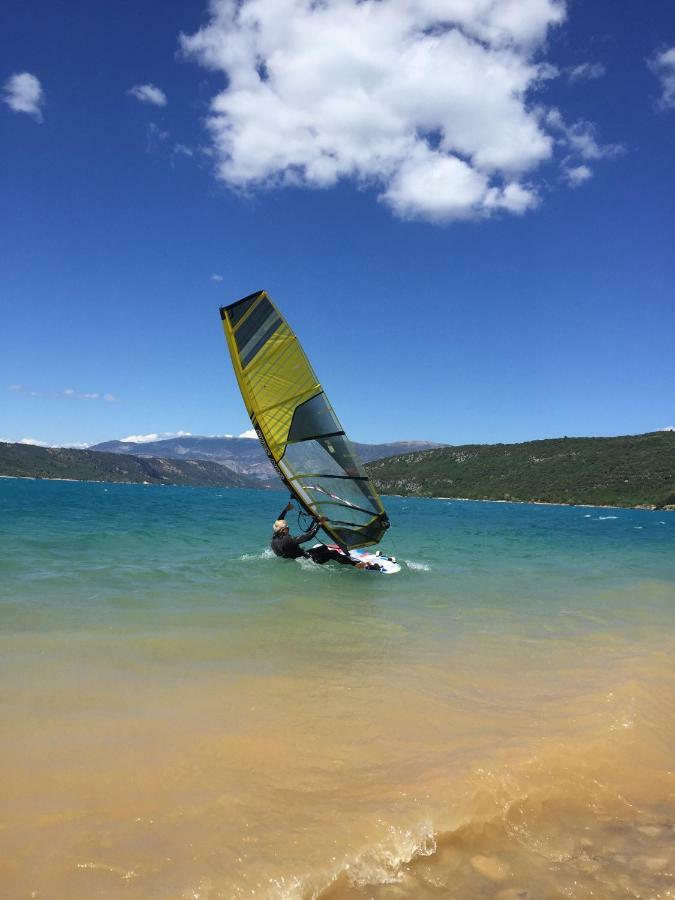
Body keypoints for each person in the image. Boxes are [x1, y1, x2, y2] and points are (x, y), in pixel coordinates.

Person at [271, 501, 381, 569]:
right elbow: (308, 537)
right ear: (283, 531)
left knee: (323, 547)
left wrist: (285, 510)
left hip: (294, 557)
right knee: (332, 553)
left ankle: (343, 558)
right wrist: (319, 523)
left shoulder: (275, 537)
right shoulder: (288, 540)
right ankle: (355, 565)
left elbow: (278, 521)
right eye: (287, 528)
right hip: (307, 560)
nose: (289, 529)